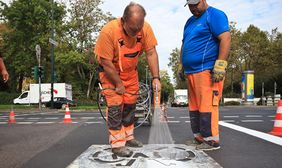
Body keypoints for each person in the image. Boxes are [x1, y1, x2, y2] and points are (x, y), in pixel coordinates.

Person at [94, 2, 161, 157]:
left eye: (139, 28)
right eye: (132, 29)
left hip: (131, 74)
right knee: (116, 108)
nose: (136, 32)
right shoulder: (109, 31)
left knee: (130, 106)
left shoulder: (145, 29)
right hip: (111, 74)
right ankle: (117, 144)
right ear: (123, 21)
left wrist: (156, 77)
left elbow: (151, 53)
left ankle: (128, 137)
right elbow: (105, 61)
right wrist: (118, 84)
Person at [181, 0, 231, 151]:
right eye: (190, 5)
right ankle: (199, 138)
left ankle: (211, 141)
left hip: (207, 71)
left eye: (195, 4)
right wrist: (181, 64)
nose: (193, 8)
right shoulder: (189, 22)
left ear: (203, 0)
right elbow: (184, 44)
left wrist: (220, 65)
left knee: (207, 106)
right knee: (195, 108)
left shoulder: (215, 15)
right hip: (191, 72)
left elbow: (225, 38)